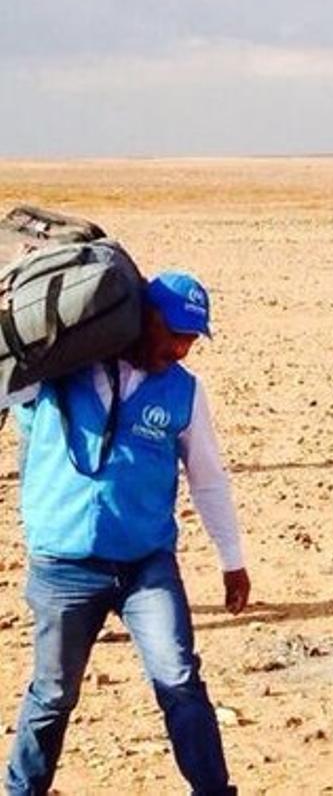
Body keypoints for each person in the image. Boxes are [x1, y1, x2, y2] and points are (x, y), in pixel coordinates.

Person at [6, 271, 250, 796]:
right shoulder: (58, 369)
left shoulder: (184, 391)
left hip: (146, 564)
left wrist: (232, 558)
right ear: (142, 316)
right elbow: (7, 369)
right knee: (52, 694)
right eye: (175, 333)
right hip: (63, 565)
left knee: (181, 681)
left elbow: (207, 478)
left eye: (192, 339)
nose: (182, 349)